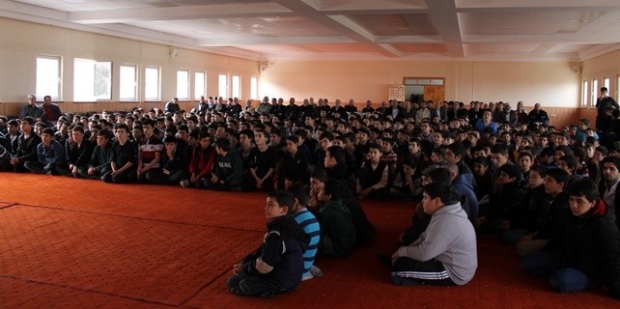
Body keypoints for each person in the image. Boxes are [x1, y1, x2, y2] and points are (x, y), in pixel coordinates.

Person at [521, 179, 620, 300]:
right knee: (528, 264)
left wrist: (616, 289)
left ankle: (586, 281)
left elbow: (612, 258)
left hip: (590, 271)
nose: (574, 205)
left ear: (592, 203)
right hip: (567, 257)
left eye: (579, 201)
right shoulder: (569, 214)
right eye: (571, 200)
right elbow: (559, 238)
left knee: (559, 281)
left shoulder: (605, 227)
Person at [389, 182, 477, 286]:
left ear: (437, 201)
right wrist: (404, 251)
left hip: (454, 272)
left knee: (399, 269)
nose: (422, 202)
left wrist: (401, 252)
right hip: (440, 257)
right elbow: (423, 237)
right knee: (404, 258)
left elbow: (424, 254)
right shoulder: (444, 213)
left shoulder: (446, 220)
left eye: (425, 198)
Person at [227, 190, 308, 299]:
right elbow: (263, 251)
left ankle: (270, 292)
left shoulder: (277, 234)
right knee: (237, 280)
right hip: (292, 277)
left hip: (280, 280)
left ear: (283, 210)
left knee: (237, 283)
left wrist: (245, 268)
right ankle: (285, 287)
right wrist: (246, 262)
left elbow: (265, 267)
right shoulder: (290, 225)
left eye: (270, 205)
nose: (265, 208)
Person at [311, 179, 357, 258]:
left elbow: (319, 229)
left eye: (321, 190)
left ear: (328, 196)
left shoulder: (327, 210)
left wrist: (312, 209)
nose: (318, 191)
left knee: (311, 235)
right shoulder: (338, 202)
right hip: (349, 242)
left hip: (339, 246)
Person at [288, 183, 322, 281]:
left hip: (296, 270)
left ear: (295, 201)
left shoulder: (295, 221)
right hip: (306, 263)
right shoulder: (309, 215)